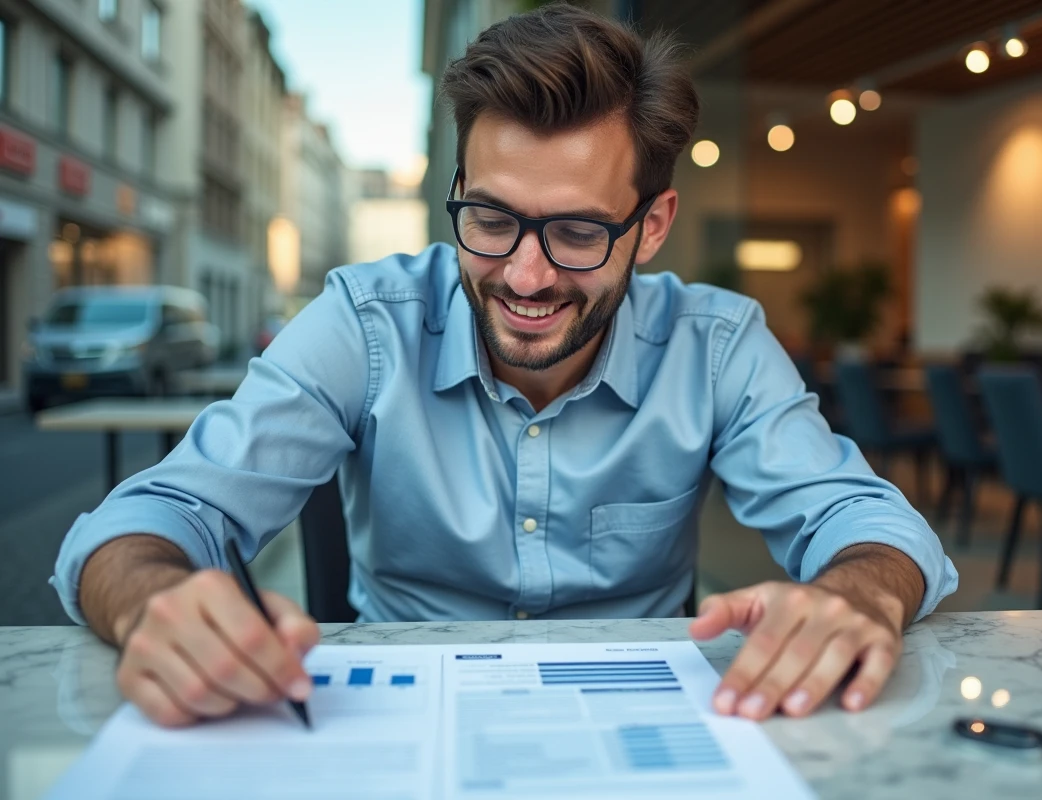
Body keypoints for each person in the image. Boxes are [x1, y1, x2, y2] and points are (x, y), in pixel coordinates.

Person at [52, 4, 957, 729]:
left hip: (646, 721)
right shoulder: (365, 322)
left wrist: (856, 592)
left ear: (652, 224)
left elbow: (865, 521)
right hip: (389, 723)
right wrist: (150, 600)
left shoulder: (715, 344)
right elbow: (155, 518)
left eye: (577, 232)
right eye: (489, 219)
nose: (525, 276)